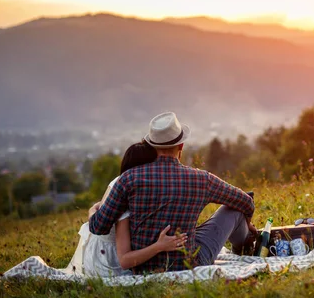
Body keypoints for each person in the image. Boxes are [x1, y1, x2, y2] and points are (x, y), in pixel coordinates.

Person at [89, 111, 257, 274]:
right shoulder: (201, 179)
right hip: (189, 263)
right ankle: (245, 246)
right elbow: (246, 202)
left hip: (142, 267)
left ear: (153, 146)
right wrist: (247, 223)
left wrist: (93, 210)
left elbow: (97, 227)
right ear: (181, 145)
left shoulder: (128, 179)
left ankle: (245, 241)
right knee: (233, 210)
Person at [65, 141, 187, 277]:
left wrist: (92, 211)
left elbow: (99, 209)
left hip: (99, 250)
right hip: (107, 262)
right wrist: (159, 246)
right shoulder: (125, 198)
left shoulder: (121, 183)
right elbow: (125, 260)